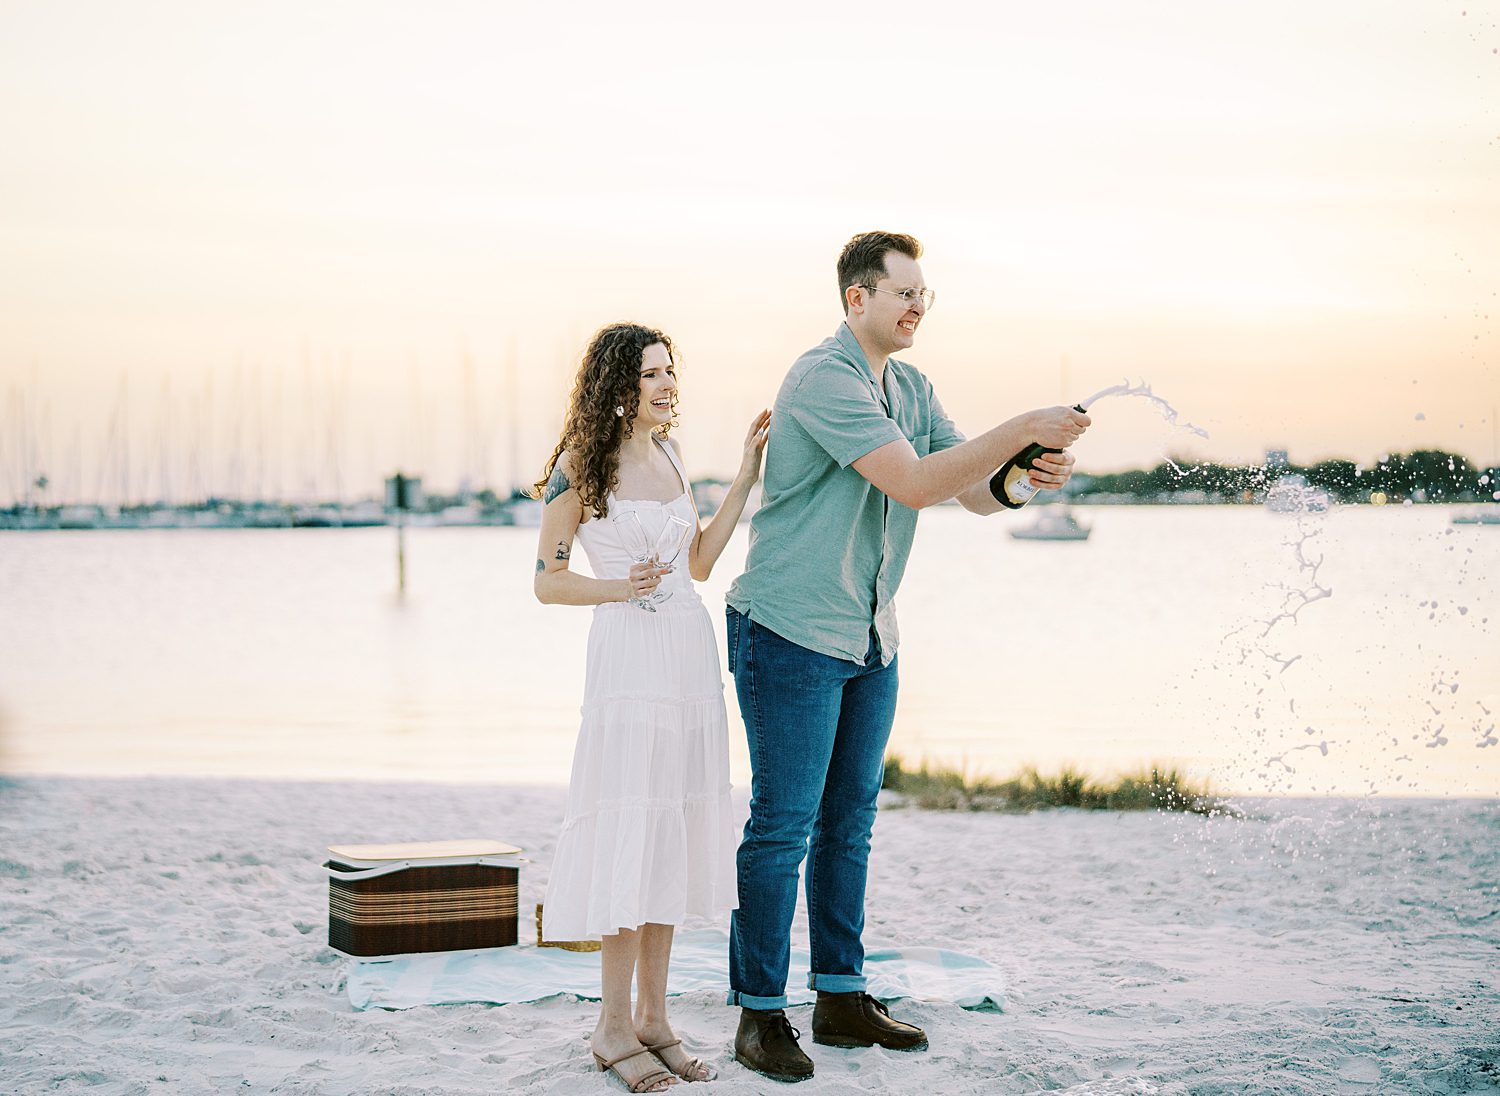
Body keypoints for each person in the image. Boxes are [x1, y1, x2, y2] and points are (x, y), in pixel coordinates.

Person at [723, 231, 1090, 1082]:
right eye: (905, 293)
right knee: (782, 829)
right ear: (858, 299)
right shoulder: (823, 378)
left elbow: (968, 489)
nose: (919, 306)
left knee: (849, 825)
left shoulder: (913, 387)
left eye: (927, 294)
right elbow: (915, 483)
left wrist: (1026, 474)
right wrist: (1022, 425)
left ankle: (842, 999)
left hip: (868, 637)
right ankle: (759, 1014)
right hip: (788, 631)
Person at [534, 322, 771, 1093]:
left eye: (670, 370)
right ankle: (610, 1026)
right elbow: (547, 580)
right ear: (616, 383)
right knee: (632, 826)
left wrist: (744, 475)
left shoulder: (671, 456)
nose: (667, 384)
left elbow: (697, 564)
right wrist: (618, 587)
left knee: (671, 825)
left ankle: (654, 1019)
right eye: (649, 374)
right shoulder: (581, 466)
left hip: (686, 655)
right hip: (628, 659)